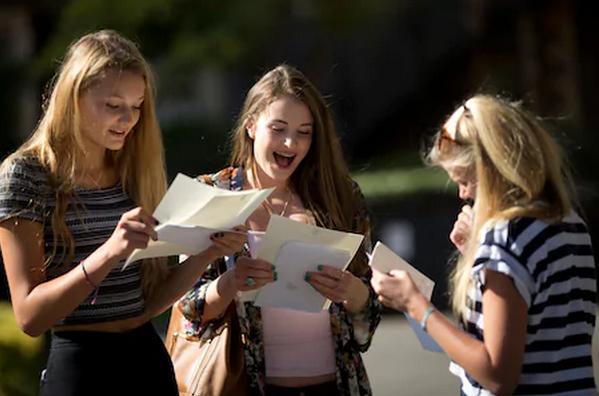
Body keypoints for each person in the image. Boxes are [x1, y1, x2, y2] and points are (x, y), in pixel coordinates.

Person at [0, 30, 245, 396]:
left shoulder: (133, 173)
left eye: (137, 106)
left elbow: (145, 302)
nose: (128, 119)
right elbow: (30, 317)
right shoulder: (26, 175)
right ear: (74, 98)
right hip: (81, 370)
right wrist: (110, 252)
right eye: (114, 105)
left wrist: (206, 253)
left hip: (147, 362)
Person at [175, 64, 381, 396]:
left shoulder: (340, 196)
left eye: (305, 132)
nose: (291, 143)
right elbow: (188, 310)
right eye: (279, 128)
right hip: (248, 386)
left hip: (337, 386)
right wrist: (231, 282)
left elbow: (367, 324)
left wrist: (353, 291)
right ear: (251, 125)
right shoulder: (212, 195)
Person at [371, 95, 597, 395]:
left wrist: (415, 305)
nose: (463, 194)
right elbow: (544, 324)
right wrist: (478, 254)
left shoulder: (504, 237)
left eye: (465, 179)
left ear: (491, 171)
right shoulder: (570, 223)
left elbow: (497, 374)